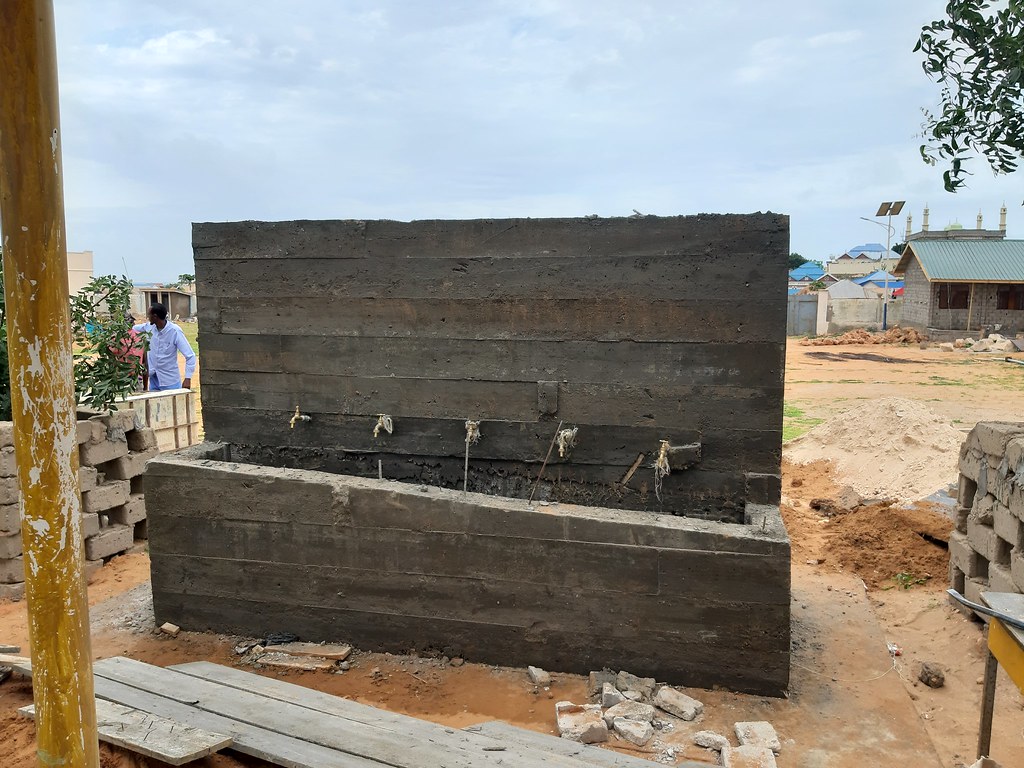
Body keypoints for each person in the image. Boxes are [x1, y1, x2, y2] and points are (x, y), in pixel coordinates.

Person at [133, 303, 196, 391]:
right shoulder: (149, 327)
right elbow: (133, 329)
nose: (147, 317)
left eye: (149, 315)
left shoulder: (174, 331)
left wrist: (188, 378)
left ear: (155, 316)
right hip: (154, 380)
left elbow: (190, 356)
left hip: (170, 382)